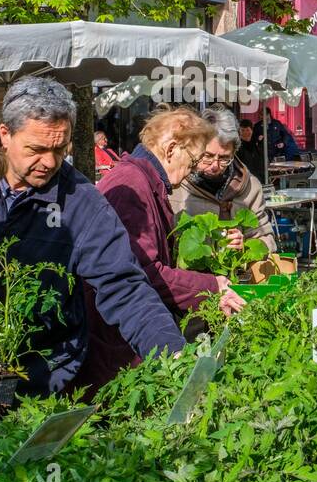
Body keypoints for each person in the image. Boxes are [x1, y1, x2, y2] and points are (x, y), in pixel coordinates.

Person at [0, 78, 185, 401]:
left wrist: (173, 354)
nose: (49, 162)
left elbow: (125, 286)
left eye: (60, 150)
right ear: (5, 135)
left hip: (46, 386)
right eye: (36, 149)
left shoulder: (80, 201)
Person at [76, 106, 246, 393]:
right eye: (192, 161)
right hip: (117, 347)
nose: (192, 171)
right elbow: (143, 273)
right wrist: (211, 286)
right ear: (170, 149)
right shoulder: (131, 186)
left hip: (123, 342)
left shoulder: (144, 181)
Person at [172, 106, 277, 253]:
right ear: (195, 147)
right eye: (207, 156)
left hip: (236, 275)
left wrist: (245, 246)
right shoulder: (174, 184)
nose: (215, 166)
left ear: (234, 152)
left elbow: (267, 239)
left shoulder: (251, 187)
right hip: (183, 275)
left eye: (224, 158)